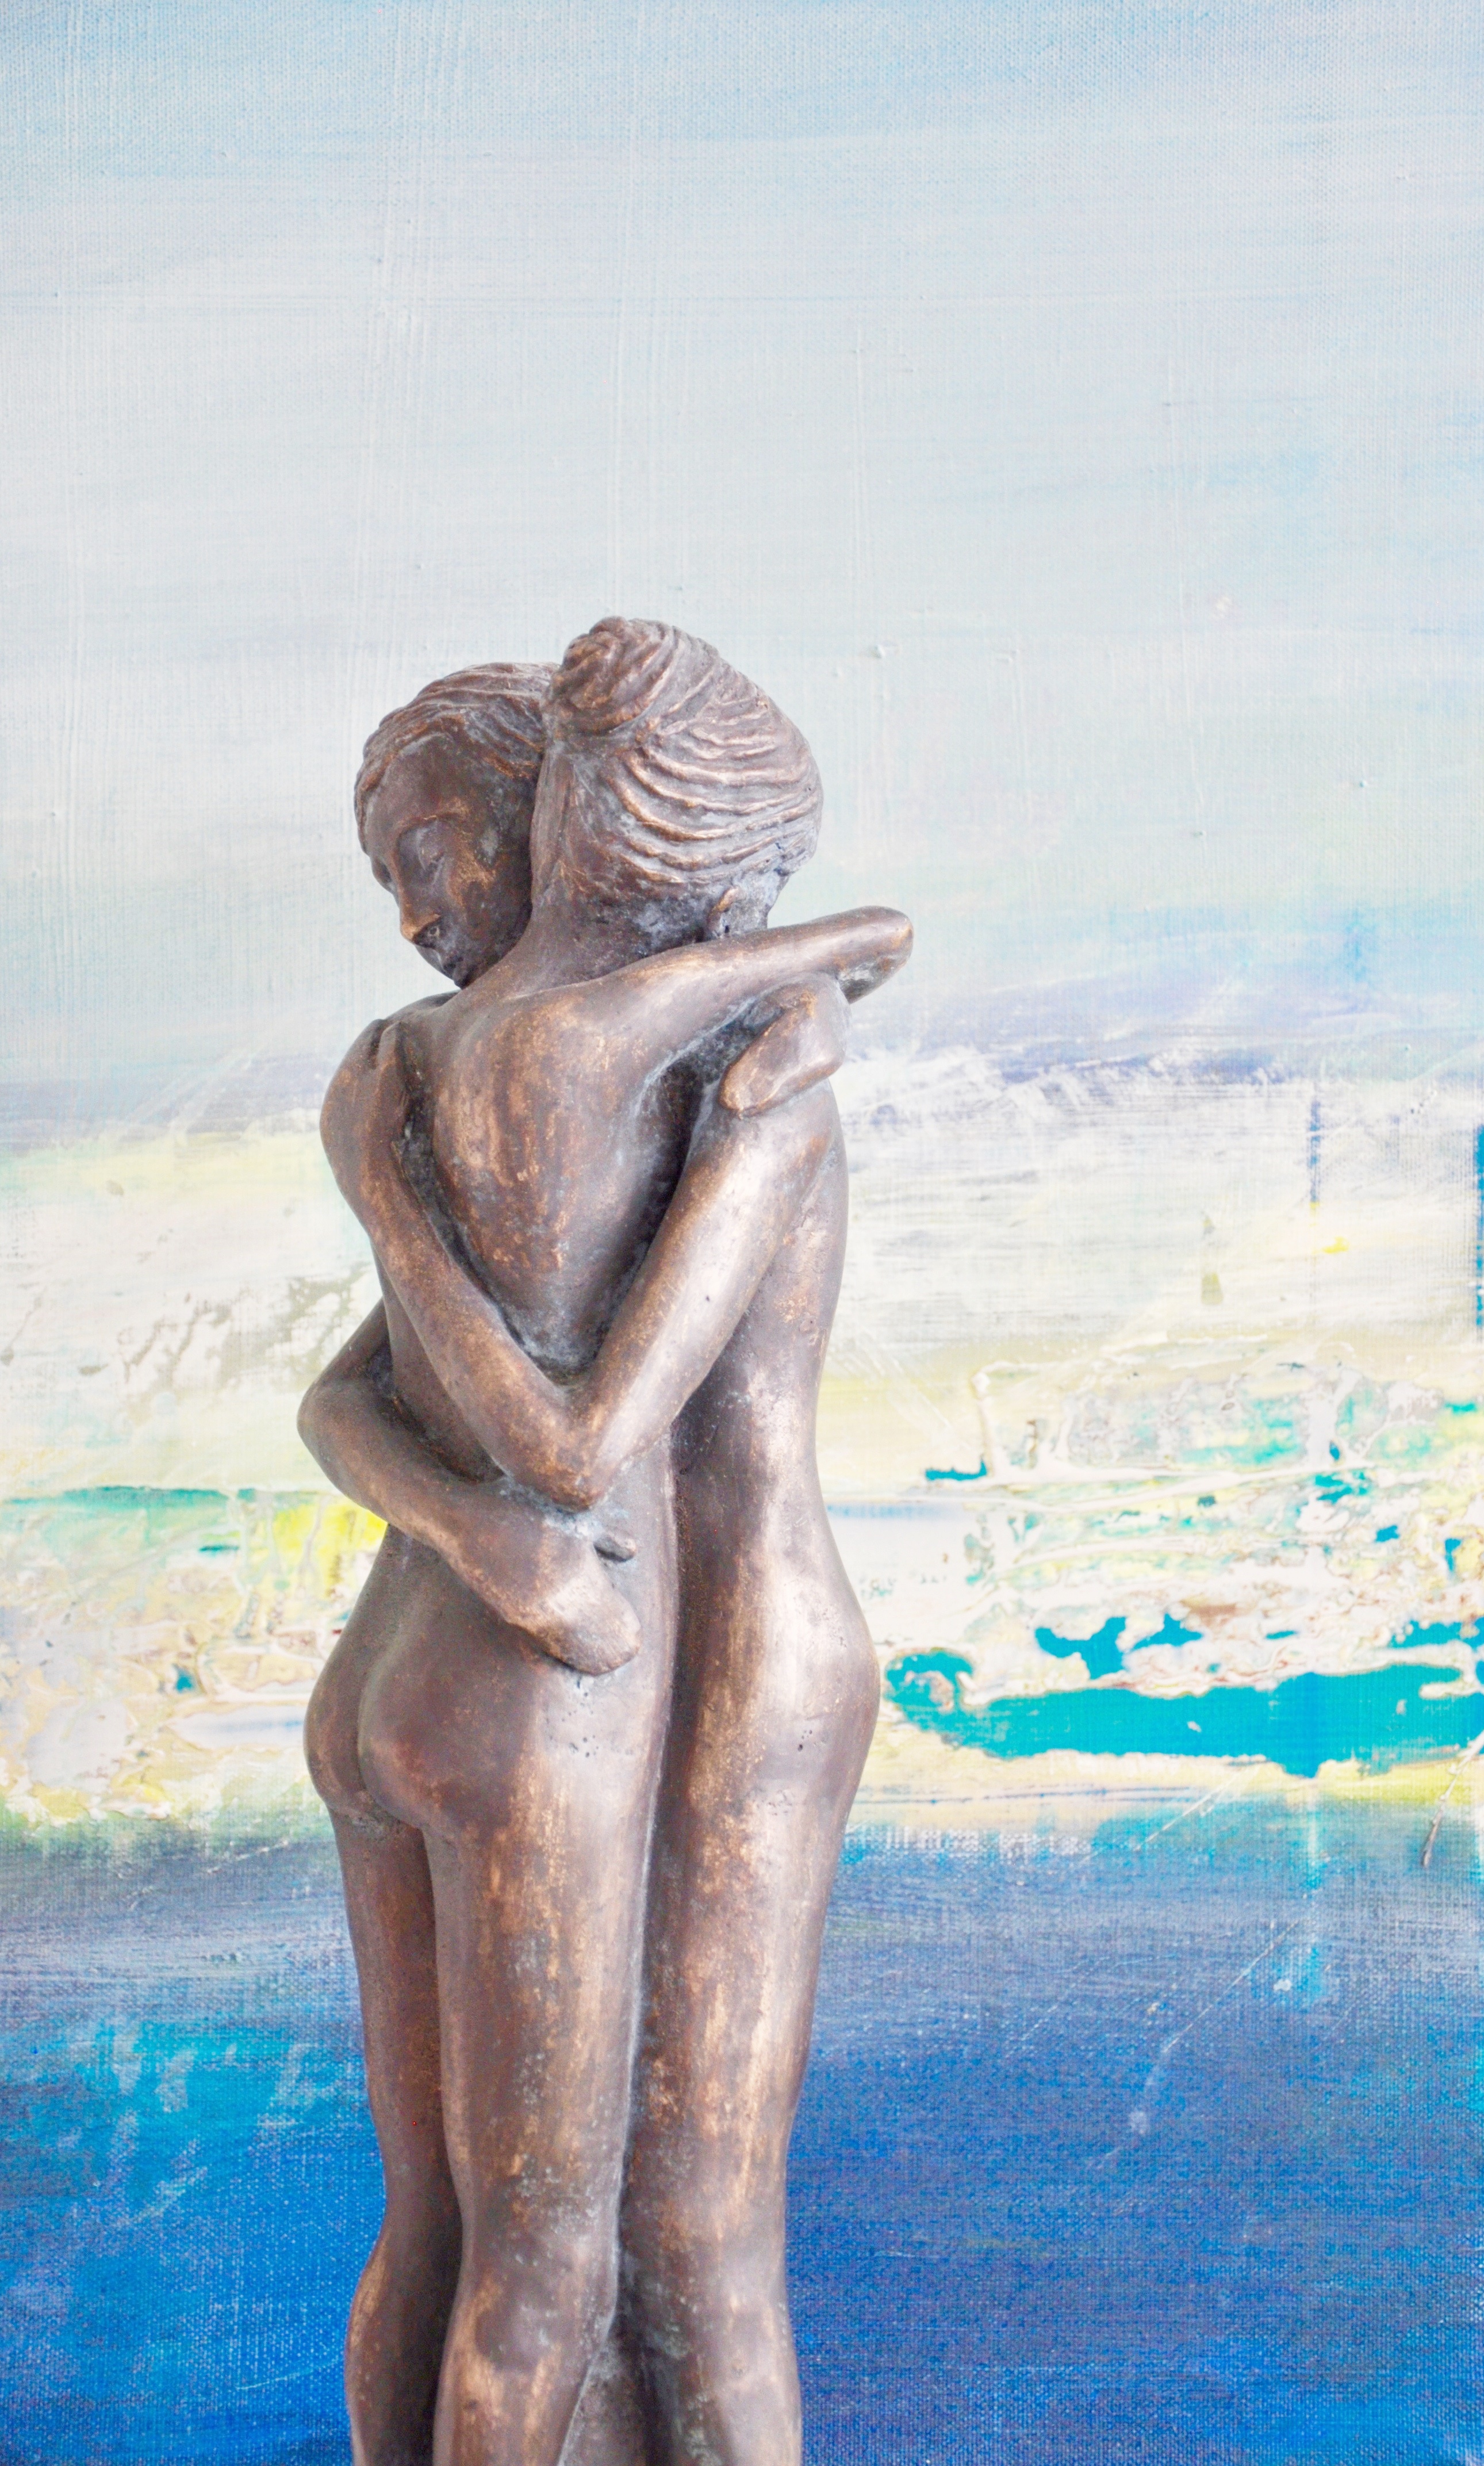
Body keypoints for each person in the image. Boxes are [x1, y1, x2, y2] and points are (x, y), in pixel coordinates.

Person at [301, 619, 911, 2466]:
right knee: (657, 2235)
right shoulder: (671, 1073)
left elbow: (354, 1404)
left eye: (433, 854)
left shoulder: (451, 1069)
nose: (420, 915)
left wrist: (392, 1198)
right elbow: (562, 1443)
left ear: (554, 816)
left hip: (655, 1652)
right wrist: (500, 1535)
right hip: (614, 1645)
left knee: (535, 2224)